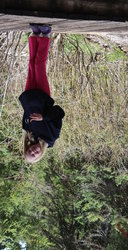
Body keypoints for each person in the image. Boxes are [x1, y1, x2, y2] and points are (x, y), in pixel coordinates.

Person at [19, 24, 65, 163]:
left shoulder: (28, 132)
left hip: (29, 95)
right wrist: (43, 117)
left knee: (32, 64)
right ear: (39, 156)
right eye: (34, 155)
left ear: (27, 147)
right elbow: (59, 112)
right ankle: (45, 35)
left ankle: (34, 35)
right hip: (43, 96)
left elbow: (26, 113)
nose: (33, 151)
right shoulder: (51, 137)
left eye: (29, 151)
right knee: (39, 65)